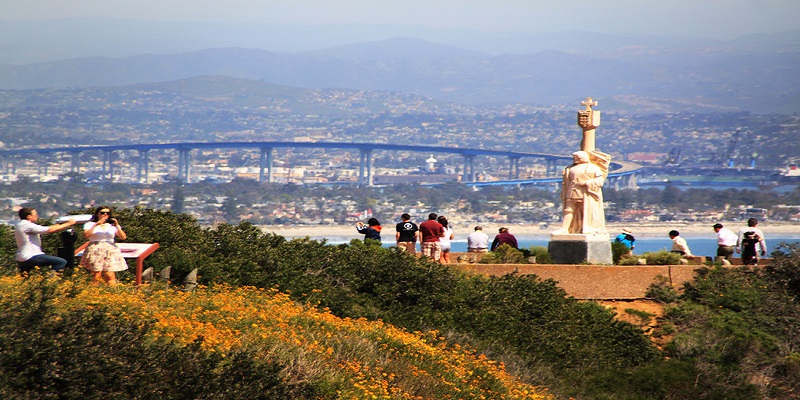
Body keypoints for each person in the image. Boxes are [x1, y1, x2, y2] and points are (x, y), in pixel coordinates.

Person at [14, 207, 77, 275]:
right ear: (29, 216)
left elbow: (50, 228)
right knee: (60, 262)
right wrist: (69, 223)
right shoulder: (27, 225)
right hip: (32, 256)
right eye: (35, 215)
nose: (37, 216)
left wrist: (60, 224)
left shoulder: (20, 225)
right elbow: (49, 230)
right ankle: (52, 281)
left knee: (26, 277)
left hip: (22, 257)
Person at [559, 150, 607, 234]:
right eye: (574, 157)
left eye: (576, 157)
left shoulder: (593, 168)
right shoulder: (570, 168)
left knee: (585, 210)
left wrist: (585, 183)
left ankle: (586, 227)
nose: (574, 159)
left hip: (586, 193)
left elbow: (600, 181)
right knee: (568, 210)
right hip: (572, 191)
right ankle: (565, 229)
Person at [80, 206, 128, 285]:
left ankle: (112, 293)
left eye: (107, 213)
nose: (105, 215)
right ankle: (95, 293)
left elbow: (123, 237)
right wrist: (96, 224)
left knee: (110, 274)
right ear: (97, 214)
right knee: (96, 274)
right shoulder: (90, 224)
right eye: (102, 213)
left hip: (110, 249)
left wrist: (117, 225)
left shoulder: (111, 225)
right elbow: (86, 235)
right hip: (96, 248)